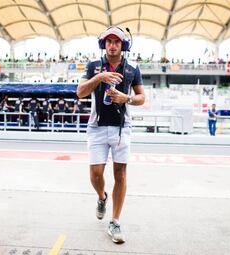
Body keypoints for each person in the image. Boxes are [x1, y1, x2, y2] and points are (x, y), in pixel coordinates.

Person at [77, 26, 145, 244]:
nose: (113, 45)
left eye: (117, 42)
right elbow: (80, 93)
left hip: (121, 128)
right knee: (96, 175)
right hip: (96, 127)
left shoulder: (133, 68)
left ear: (123, 45)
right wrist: (100, 78)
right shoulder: (93, 66)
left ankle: (115, 221)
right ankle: (101, 197)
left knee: (121, 174)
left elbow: (142, 97)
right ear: (103, 45)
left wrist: (126, 98)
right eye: (109, 42)